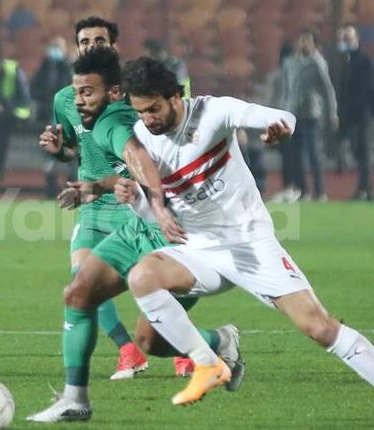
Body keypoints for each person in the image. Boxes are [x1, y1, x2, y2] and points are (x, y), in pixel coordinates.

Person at [113, 57, 374, 430]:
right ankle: (208, 363)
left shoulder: (213, 112)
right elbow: (154, 208)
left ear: (174, 96)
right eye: (140, 111)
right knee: (142, 278)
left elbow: (281, 117)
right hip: (197, 249)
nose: (148, 119)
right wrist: (136, 201)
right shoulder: (142, 139)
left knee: (320, 327)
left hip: (249, 245)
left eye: (153, 108)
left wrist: (280, 129)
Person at [27, 47, 244, 424]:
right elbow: (130, 170)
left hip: (182, 237)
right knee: (78, 293)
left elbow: (137, 158)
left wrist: (157, 206)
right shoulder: (116, 118)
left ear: (113, 93)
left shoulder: (116, 121)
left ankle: (222, 341)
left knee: (153, 340)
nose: (78, 101)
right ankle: (75, 400)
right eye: (76, 92)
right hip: (141, 227)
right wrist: (98, 186)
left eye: (87, 92)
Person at [37, 17, 193, 382]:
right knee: (82, 280)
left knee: (157, 281)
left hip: (131, 201)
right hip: (93, 205)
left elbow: (152, 148)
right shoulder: (65, 99)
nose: (92, 46)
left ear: (113, 46)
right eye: (85, 41)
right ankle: (128, 350)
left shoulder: (133, 94)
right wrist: (60, 150)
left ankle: (182, 349)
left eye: (99, 40)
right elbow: (74, 147)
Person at [278, 30, 338, 202]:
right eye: (302, 40)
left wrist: (332, 112)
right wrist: (281, 112)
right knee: (296, 154)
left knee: (314, 153)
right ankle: (303, 191)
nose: (304, 44)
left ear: (313, 44)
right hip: (292, 113)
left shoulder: (317, 62)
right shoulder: (289, 63)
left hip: (311, 113)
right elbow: (286, 89)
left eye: (308, 41)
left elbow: (327, 89)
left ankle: (320, 191)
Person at [332, 24, 374, 202]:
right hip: (350, 115)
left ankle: (363, 189)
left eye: (348, 39)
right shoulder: (347, 62)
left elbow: (369, 89)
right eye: (343, 39)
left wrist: (352, 107)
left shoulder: (363, 61)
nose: (344, 42)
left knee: (362, 151)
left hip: (361, 115)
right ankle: (369, 189)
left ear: (356, 40)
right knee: (358, 152)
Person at [30, 36, 76, 198]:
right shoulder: (44, 69)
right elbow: (34, 89)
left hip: (67, 119)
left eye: (57, 47)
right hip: (48, 118)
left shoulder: (70, 69)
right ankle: (51, 190)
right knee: (49, 156)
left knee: (70, 155)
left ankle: (72, 189)